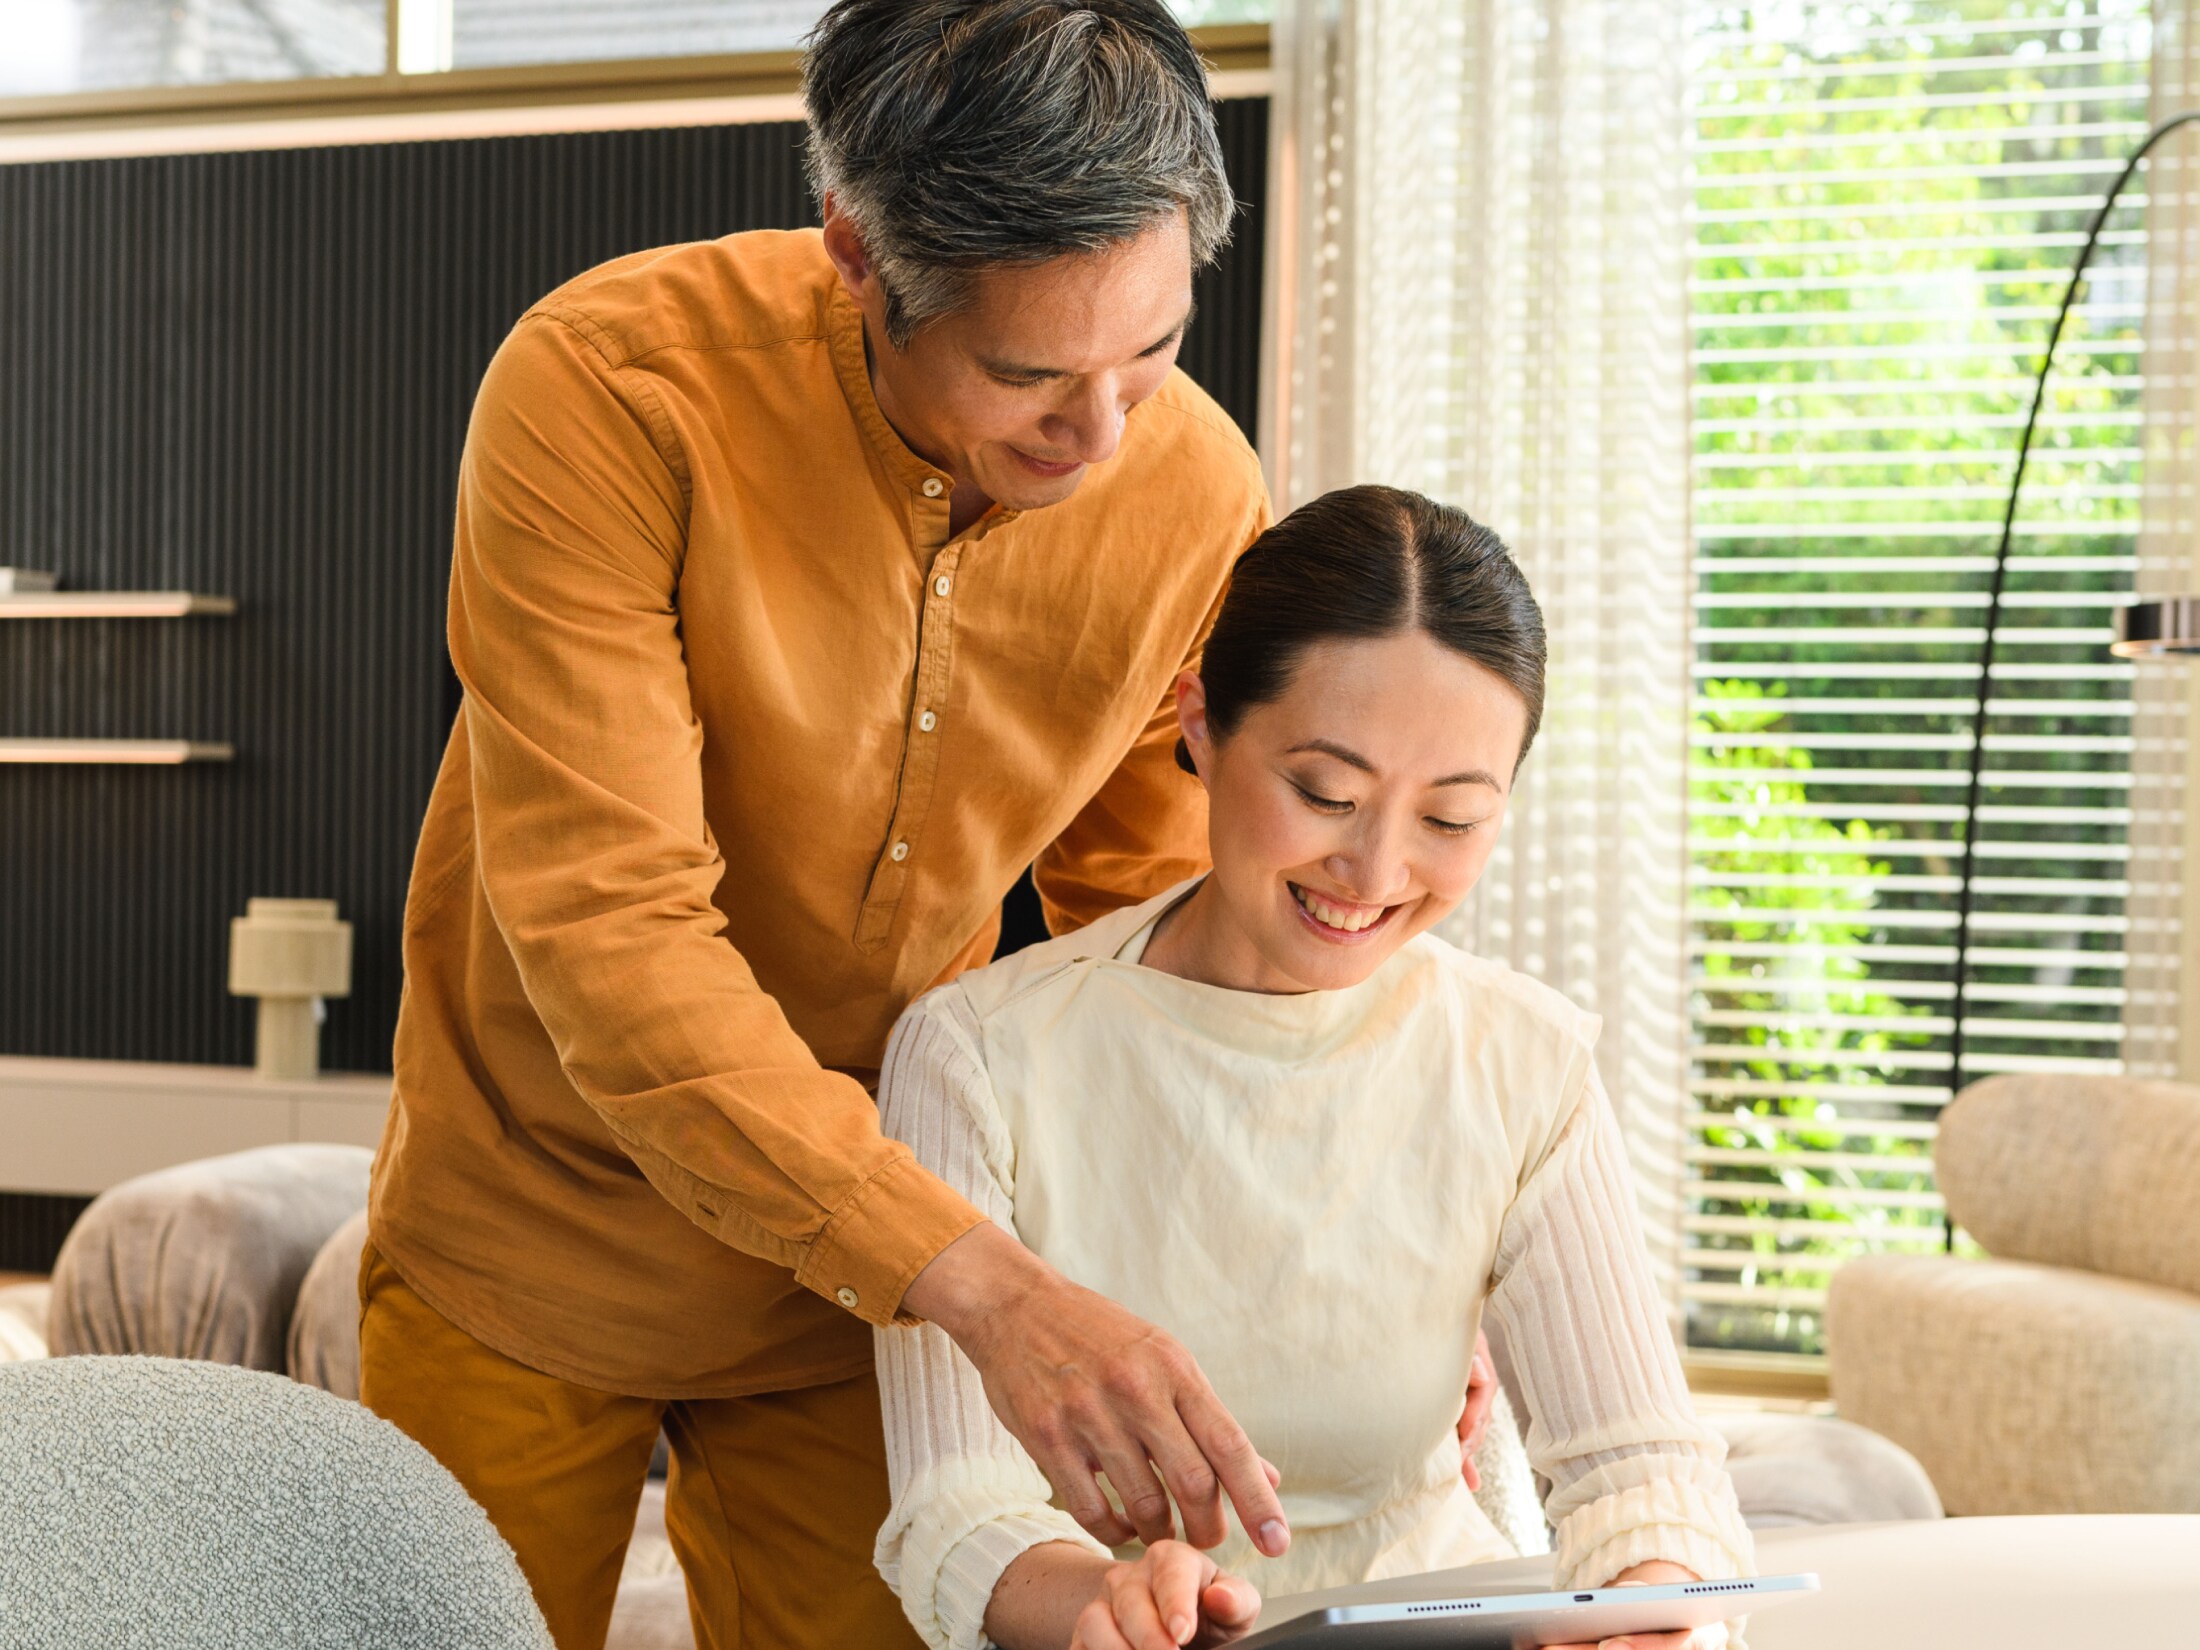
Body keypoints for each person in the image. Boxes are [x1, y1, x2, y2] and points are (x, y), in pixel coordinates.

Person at [356, 5, 1319, 1646]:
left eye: (1150, 356)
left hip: (866, 1303)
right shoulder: (611, 389)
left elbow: (1148, 963)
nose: (1100, 440)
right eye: (1029, 376)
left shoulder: (1195, 494)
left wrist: (1365, 1262)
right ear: (858, 255)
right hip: (532, 1233)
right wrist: (991, 1286)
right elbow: (616, 937)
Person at [873, 486, 1757, 1650]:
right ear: (1199, 723)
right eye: (1325, 794)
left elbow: (1635, 1461)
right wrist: (1097, 1601)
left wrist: (1656, 1599)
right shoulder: (977, 1053)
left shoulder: (1522, 1057)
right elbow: (957, 1509)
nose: (1375, 869)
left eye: (1451, 819)